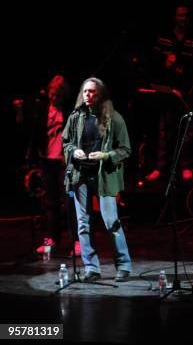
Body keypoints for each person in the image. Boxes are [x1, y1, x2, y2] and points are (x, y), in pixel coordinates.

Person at [63, 77, 132, 282]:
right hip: (81, 175)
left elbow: (125, 149)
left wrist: (106, 155)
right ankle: (91, 267)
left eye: (92, 91)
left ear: (100, 94)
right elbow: (65, 142)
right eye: (85, 91)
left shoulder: (114, 118)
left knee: (111, 221)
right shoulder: (75, 117)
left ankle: (124, 265)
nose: (88, 95)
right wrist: (73, 150)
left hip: (104, 177)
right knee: (83, 223)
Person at [13, 75, 80, 256]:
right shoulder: (42, 109)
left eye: (57, 95)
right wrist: (19, 110)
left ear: (63, 95)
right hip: (46, 160)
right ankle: (52, 239)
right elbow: (30, 128)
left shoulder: (69, 112)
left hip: (63, 162)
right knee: (50, 203)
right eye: (51, 94)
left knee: (70, 201)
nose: (53, 98)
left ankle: (77, 242)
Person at [145, 3, 193, 182]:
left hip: (188, 90)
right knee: (164, 130)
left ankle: (185, 165)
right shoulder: (164, 38)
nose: (184, 19)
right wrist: (165, 63)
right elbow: (154, 59)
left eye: (187, 15)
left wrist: (177, 62)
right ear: (175, 17)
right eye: (181, 15)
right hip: (167, 90)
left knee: (188, 129)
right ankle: (161, 167)